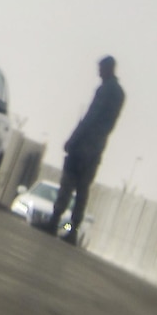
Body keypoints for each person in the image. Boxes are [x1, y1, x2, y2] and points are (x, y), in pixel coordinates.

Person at [48, 56, 124, 241]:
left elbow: (91, 117)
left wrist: (73, 139)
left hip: (83, 147)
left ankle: (55, 221)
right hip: (97, 148)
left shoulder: (106, 90)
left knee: (68, 184)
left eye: (100, 68)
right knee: (82, 190)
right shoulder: (120, 94)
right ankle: (72, 229)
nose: (98, 72)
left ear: (108, 68)